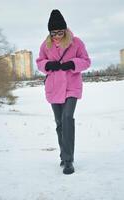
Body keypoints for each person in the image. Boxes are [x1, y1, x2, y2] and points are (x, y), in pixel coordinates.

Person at [36, 9, 91, 175]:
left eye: (60, 32)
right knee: (59, 123)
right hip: (54, 88)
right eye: (54, 33)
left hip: (71, 86)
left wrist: (72, 64)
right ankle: (63, 153)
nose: (58, 36)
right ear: (50, 32)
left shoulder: (76, 42)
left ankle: (68, 160)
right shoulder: (45, 45)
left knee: (67, 118)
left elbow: (86, 61)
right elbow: (39, 62)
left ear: (65, 30)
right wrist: (47, 65)